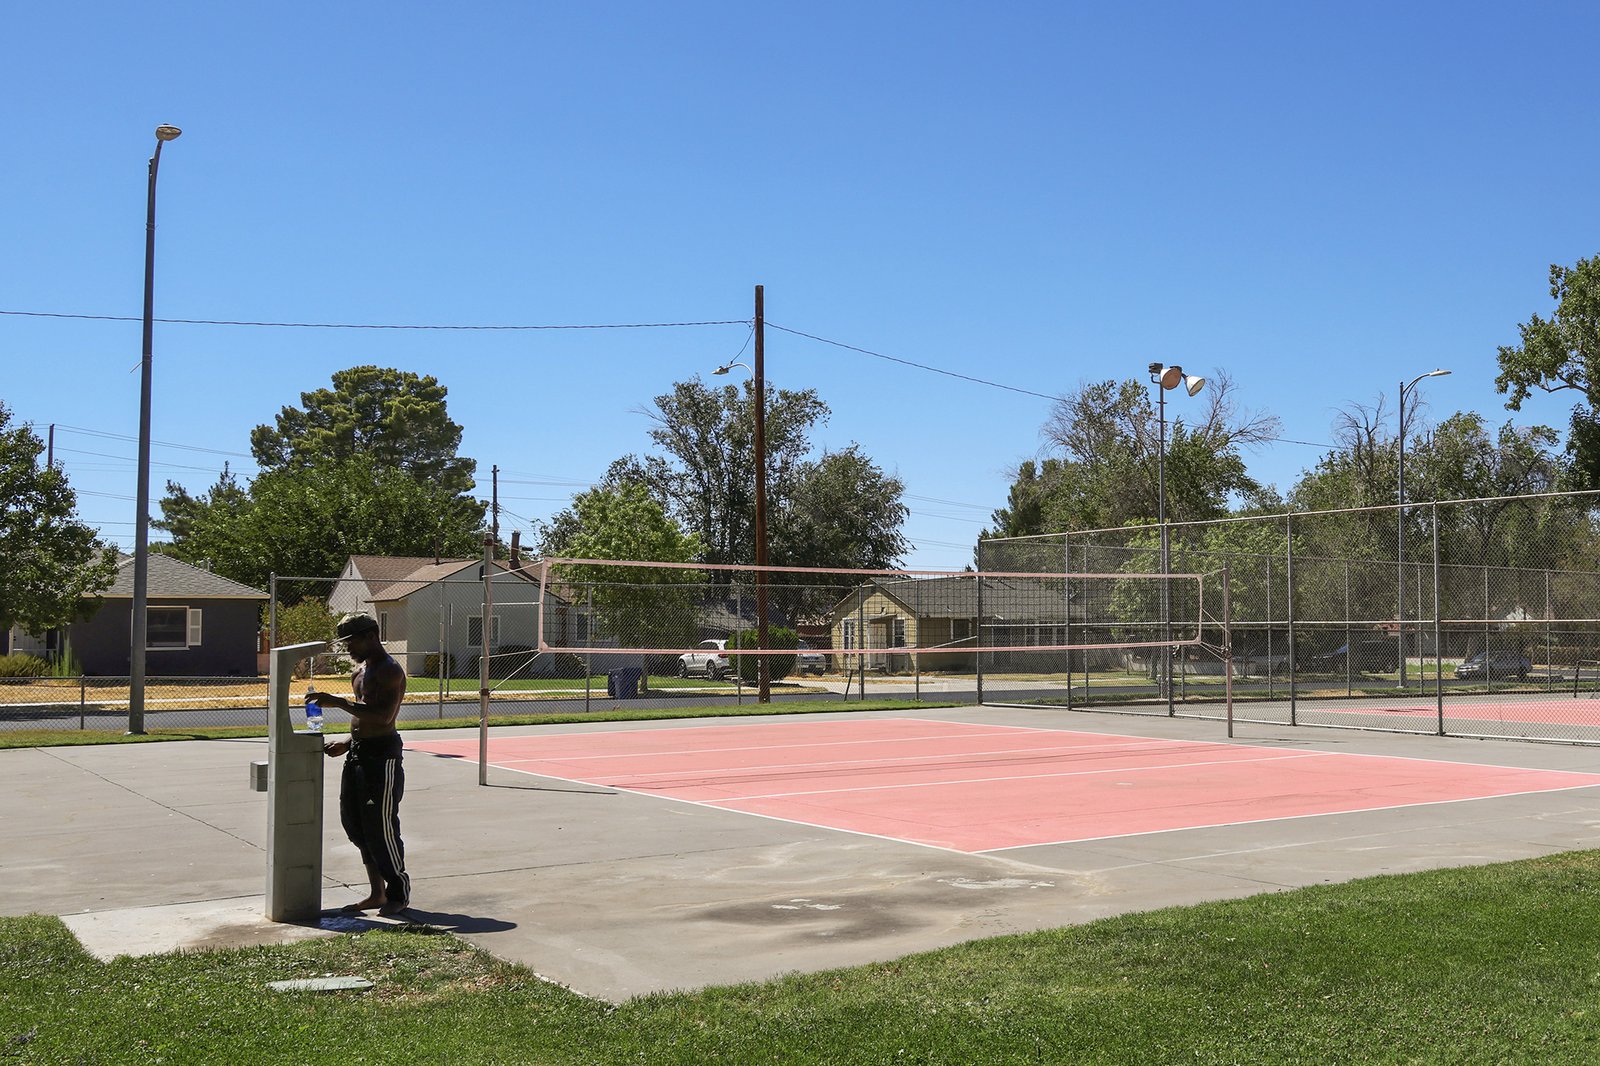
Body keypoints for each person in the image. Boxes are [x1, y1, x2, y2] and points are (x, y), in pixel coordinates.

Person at [309, 612, 412, 917]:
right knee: (355, 824)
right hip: (359, 753)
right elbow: (362, 719)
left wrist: (338, 702)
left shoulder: (389, 670)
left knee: (381, 827)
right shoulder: (359, 673)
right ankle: (377, 893)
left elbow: (382, 717)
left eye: (351, 641)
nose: (347, 648)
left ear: (370, 636)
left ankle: (398, 891)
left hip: (382, 757)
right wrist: (348, 742)